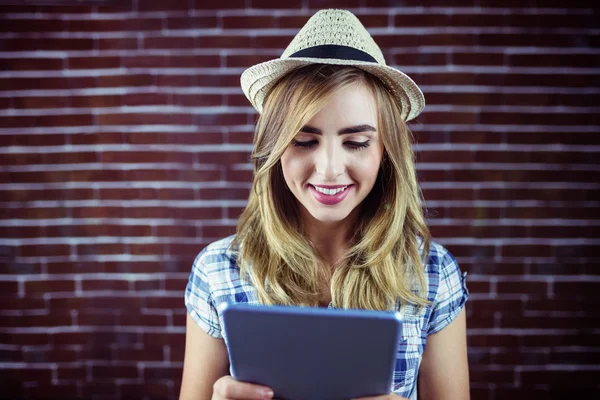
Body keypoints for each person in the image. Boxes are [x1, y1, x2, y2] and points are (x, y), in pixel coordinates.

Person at [179, 9, 470, 400]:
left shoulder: (433, 274)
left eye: (356, 142)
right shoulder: (217, 271)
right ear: (276, 148)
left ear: (386, 152)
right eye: (304, 140)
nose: (330, 169)